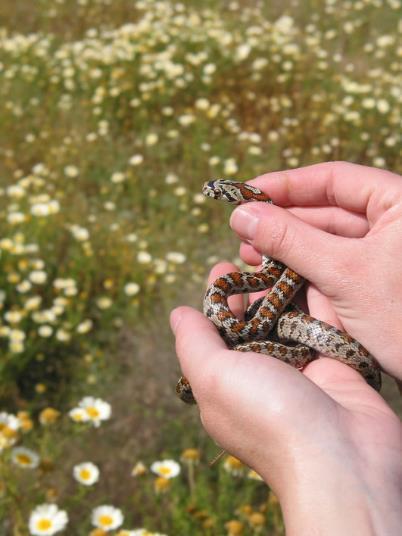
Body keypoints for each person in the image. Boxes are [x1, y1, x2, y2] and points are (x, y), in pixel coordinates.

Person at [170, 162, 402, 535]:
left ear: (239, 200)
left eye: (219, 192)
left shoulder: (276, 267)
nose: (211, 192)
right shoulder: (264, 280)